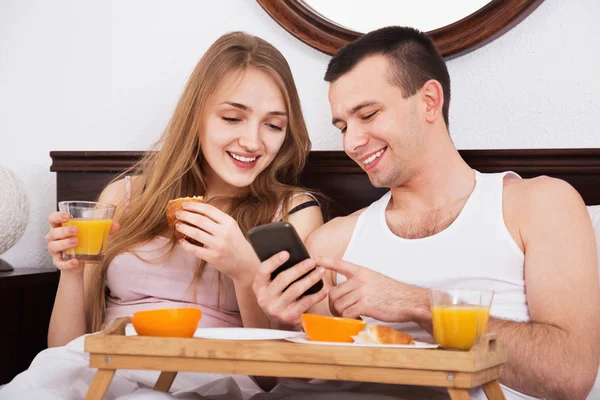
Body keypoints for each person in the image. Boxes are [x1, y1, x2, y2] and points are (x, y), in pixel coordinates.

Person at [253, 26, 600, 399]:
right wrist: (283, 320)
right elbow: (302, 381)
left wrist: (414, 304)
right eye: (342, 126)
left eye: (367, 115)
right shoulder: (332, 243)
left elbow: (570, 374)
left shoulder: (537, 205)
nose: (351, 143)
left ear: (430, 101)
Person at [0, 31, 323, 400]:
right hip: (103, 370)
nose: (253, 141)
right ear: (196, 115)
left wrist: (244, 270)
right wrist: (72, 275)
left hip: (207, 377)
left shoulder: (293, 214)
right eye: (233, 118)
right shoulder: (124, 196)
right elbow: (65, 351)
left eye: (274, 125)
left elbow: (272, 377)